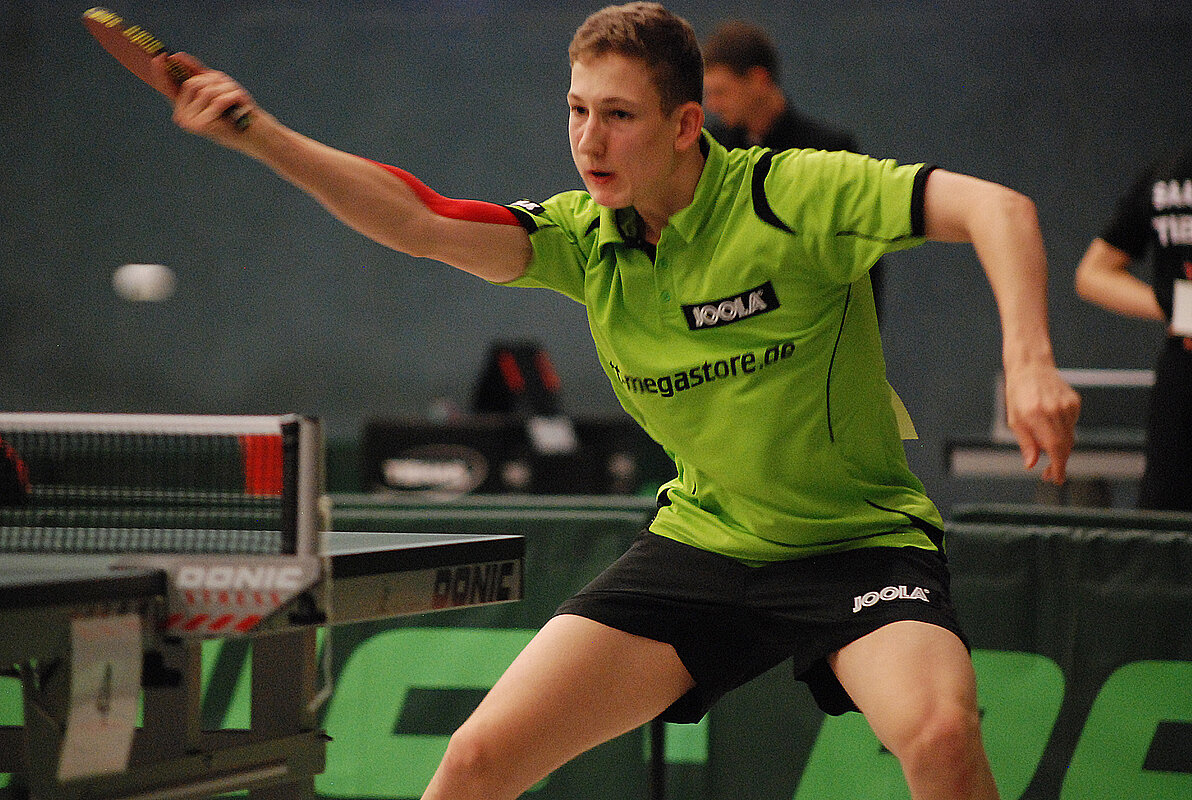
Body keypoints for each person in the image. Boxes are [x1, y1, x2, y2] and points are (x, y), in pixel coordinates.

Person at [156, 3, 1079, 798]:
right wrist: (256, 132)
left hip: (857, 544)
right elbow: (419, 218)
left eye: (618, 116)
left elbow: (998, 210)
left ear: (685, 124)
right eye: (577, 111)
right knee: (477, 759)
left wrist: (1030, 360)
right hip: (704, 545)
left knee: (941, 736)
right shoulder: (582, 239)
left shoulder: (788, 194)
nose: (589, 141)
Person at [701, 19, 886, 317]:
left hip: (813, 318)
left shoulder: (828, 150)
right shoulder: (711, 150)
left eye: (721, 92)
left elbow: (862, 255)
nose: (711, 104)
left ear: (759, 80)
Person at [1075, 146, 1192, 511]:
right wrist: (1178, 307)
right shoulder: (1170, 174)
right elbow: (1093, 273)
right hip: (1182, 378)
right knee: (1164, 527)